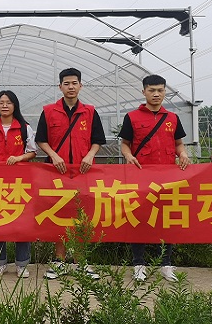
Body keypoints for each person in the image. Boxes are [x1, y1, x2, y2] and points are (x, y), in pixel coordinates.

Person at [36, 68, 106, 280]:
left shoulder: (90, 112)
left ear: (80, 85)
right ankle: (59, 261)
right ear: (60, 87)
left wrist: (90, 155)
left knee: (82, 215)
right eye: (66, 83)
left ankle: (81, 262)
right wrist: (53, 155)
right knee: (60, 214)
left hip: (83, 172)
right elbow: (41, 139)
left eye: (74, 83)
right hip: (57, 172)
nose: (71, 87)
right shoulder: (49, 111)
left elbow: (98, 140)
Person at [119, 74, 190, 282]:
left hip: (168, 177)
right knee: (139, 218)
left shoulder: (172, 118)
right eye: (151, 90)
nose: (156, 94)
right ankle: (138, 264)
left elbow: (178, 144)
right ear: (144, 92)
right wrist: (128, 156)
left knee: (166, 219)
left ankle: (166, 264)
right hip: (141, 177)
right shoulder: (132, 117)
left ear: (165, 91)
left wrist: (183, 154)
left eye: (160, 90)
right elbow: (125, 144)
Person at [0, 90, 37, 279]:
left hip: (20, 182)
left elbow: (32, 151)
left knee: (22, 221)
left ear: (15, 105)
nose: (5, 106)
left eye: (9, 102)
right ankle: (0, 263)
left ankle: (22, 264)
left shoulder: (24, 128)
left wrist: (19, 158)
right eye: (1, 102)